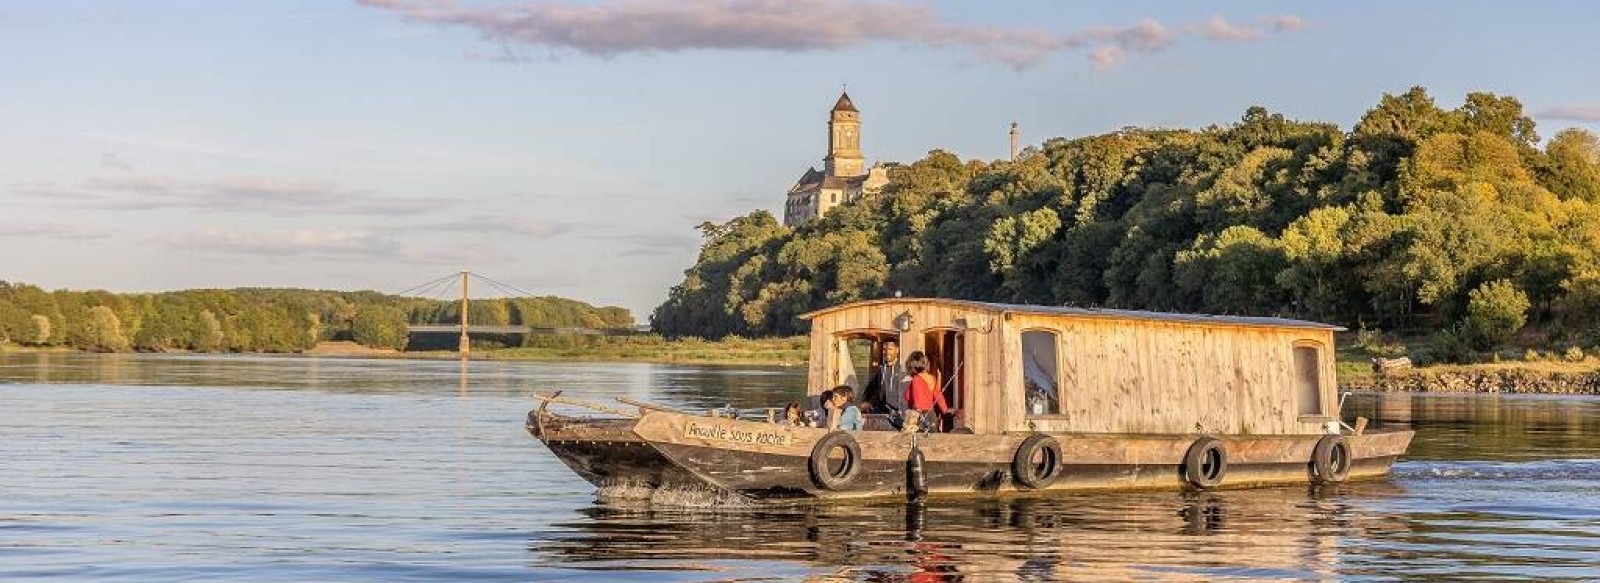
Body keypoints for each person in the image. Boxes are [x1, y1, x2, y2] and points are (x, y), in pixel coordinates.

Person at [904, 351, 948, 432]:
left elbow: (916, 402)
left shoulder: (916, 380)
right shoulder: (932, 378)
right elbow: (939, 397)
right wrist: (945, 410)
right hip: (931, 415)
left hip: (918, 417)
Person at [863, 340, 908, 415]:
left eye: (890, 349)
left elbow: (908, 392)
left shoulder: (903, 370)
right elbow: (870, 388)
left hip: (899, 412)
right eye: (884, 349)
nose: (887, 352)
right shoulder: (880, 369)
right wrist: (865, 401)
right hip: (881, 411)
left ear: (897, 350)